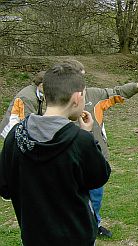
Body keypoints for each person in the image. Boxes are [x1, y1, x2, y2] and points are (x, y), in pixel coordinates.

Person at [0, 63, 111, 245]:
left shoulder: (15, 135)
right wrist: (89, 135)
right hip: (76, 238)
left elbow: (4, 187)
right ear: (77, 97)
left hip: (33, 237)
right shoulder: (80, 141)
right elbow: (99, 177)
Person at [62, 60, 138, 238]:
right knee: (72, 197)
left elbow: (115, 93)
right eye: (80, 78)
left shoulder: (94, 95)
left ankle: (95, 223)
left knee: (95, 195)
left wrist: (135, 87)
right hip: (70, 161)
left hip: (95, 157)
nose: (83, 83)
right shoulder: (59, 101)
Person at [0, 71, 46, 139]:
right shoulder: (28, 98)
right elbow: (28, 122)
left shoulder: (36, 92)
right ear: (41, 85)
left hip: (19, 128)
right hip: (12, 131)